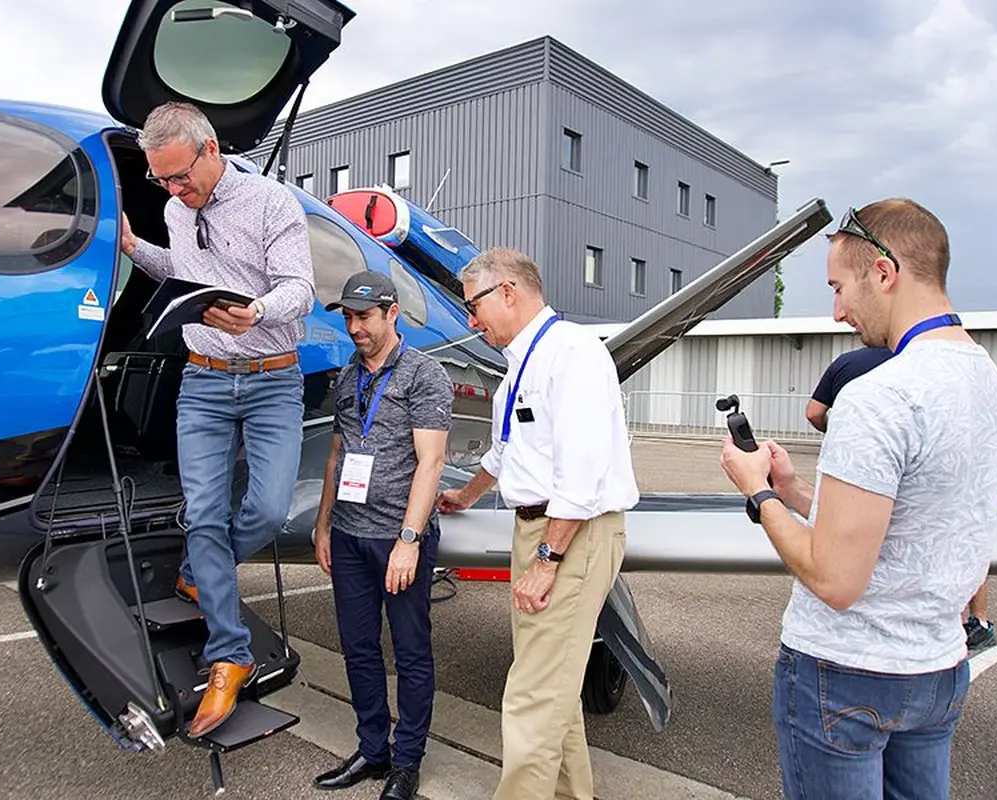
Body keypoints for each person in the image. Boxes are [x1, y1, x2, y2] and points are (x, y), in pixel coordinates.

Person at [720, 199, 997, 799]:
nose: (837, 314)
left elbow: (834, 579)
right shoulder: (993, 386)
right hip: (936, 669)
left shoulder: (880, 395)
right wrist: (795, 491)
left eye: (838, 288)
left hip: (845, 674)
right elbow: (907, 519)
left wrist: (757, 494)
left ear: (884, 272)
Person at [120, 101, 315, 739]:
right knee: (203, 511)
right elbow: (185, 271)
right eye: (162, 181)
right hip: (202, 381)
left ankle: (199, 573)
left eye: (181, 176)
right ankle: (229, 654)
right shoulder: (177, 210)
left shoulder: (270, 203)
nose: (174, 191)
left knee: (267, 509)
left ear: (210, 150)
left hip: (271, 379)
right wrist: (131, 247)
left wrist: (256, 313)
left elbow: (299, 291)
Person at [435, 247, 638, 800]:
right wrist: (466, 495)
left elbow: (580, 473)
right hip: (539, 531)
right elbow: (505, 453)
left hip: (572, 535)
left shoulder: (572, 354)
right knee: (553, 687)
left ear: (509, 292)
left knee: (531, 693)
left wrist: (547, 561)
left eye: (474, 304)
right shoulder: (521, 365)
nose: (470, 320)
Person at [310, 270, 453, 800]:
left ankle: (407, 763)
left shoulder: (423, 374)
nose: (354, 328)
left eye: (364, 316)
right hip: (348, 535)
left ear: (392, 313)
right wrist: (324, 524)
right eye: (347, 316)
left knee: (411, 651)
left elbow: (431, 461)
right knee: (358, 648)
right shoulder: (348, 376)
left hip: (397, 538)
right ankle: (373, 750)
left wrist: (409, 540)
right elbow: (336, 454)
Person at [805, 346, 891, 432]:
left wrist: (832, 432)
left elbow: (814, 414)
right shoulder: (900, 361)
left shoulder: (844, 361)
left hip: (846, 439)